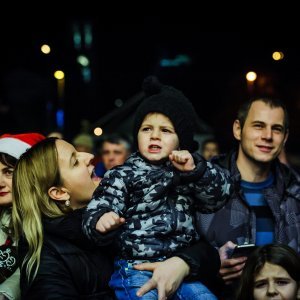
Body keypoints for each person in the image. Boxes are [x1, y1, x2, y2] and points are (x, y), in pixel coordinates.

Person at [12, 137, 222, 299]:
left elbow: (204, 249)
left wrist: (181, 264)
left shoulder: (126, 206)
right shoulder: (45, 254)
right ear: (59, 192)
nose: (88, 157)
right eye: (75, 161)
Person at [83, 76, 232, 299]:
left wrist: (197, 170)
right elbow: (100, 203)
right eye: (146, 129)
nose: (154, 135)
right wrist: (100, 219)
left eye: (165, 130)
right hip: (136, 268)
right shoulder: (123, 174)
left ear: (181, 140)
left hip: (181, 268)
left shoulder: (189, 171)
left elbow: (218, 197)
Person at [196, 97, 300, 298]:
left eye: (276, 129)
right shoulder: (203, 184)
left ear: (285, 137)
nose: (268, 136)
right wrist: (207, 267)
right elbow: (168, 247)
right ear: (238, 129)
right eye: (258, 126)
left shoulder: (295, 192)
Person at [0, 132, 45, 300]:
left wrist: (5, 294)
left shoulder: (44, 219)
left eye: (8, 172)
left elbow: (31, 268)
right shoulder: (3, 216)